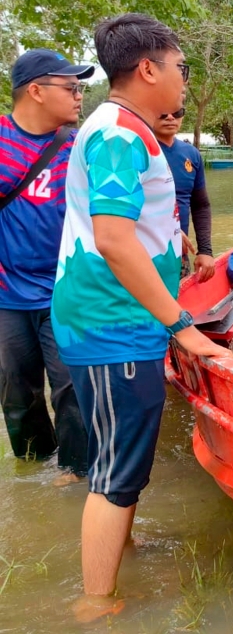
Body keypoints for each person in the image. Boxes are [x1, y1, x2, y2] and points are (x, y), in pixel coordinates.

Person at [50, 13, 232, 621]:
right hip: (111, 322)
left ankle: (117, 552)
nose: (185, 80)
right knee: (118, 466)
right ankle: (95, 602)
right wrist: (183, 326)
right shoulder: (120, 135)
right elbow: (114, 239)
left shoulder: (127, 128)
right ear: (148, 68)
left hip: (121, 320)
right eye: (181, 68)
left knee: (118, 457)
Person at [0, 49, 93, 483]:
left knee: (73, 386)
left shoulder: (80, 147)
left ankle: (76, 471)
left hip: (65, 290)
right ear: (35, 91)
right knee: (18, 393)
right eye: (71, 87)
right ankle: (34, 467)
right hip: (7, 296)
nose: (79, 96)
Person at [152, 106, 214, 281]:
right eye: (163, 111)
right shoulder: (138, 150)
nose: (170, 117)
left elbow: (201, 205)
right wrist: (170, 228)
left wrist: (205, 251)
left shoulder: (191, 154)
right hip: (145, 253)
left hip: (179, 253)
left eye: (177, 112)